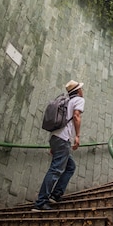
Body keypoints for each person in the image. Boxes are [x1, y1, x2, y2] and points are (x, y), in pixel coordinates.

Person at [33, 80, 85, 211]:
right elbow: (76, 116)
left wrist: (54, 146)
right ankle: (41, 202)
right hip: (63, 139)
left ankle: (55, 195)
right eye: (81, 89)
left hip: (55, 138)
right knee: (56, 170)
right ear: (78, 91)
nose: (82, 91)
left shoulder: (66, 101)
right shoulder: (78, 100)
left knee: (70, 166)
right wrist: (77, 136)